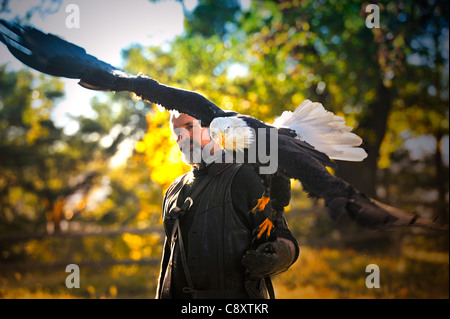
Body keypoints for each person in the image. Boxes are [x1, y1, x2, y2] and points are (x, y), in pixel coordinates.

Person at [155, 112, 299, 299]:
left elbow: (284, 239)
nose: (183, 136)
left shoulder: (244, 178)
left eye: (190, 126)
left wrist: (275, 257)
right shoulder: (173, 190)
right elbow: (169, 260)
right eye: (177, 131)